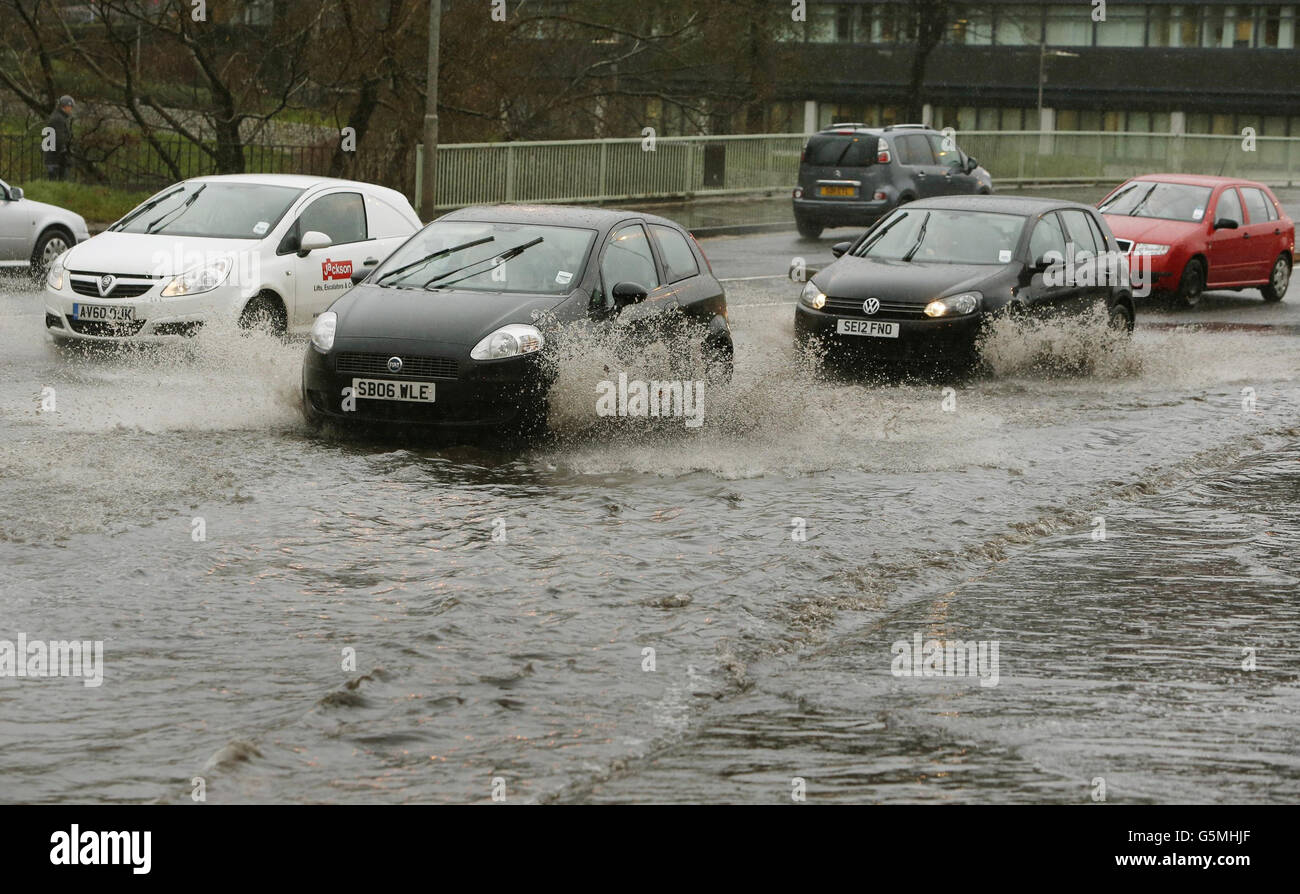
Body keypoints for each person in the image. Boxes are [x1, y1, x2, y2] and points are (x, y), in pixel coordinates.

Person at [43, 95, 74, 181]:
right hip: (56, 156)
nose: (71, 109)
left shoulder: (59, 117)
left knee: (56, 180)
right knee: (58, 181)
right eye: (70, 107)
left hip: (54, 155)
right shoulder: (58, 119)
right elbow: (59, 138)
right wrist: (65, 150)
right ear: (66, 106)